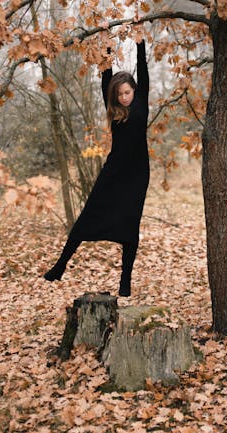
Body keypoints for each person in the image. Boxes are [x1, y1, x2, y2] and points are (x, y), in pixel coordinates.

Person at [43, 41, 149, 296]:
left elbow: (143, 69)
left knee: (129, 225)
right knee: (88, 214)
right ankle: (60, 266)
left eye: (127, 92)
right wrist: (107, 48)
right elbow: (106, 76)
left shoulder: (142, 102)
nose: (124, 97)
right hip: (113, 171)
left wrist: (139, 42)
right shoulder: (113, 109)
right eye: (120, 94)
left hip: (137, 174)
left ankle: (125, 282)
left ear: (134, 90)